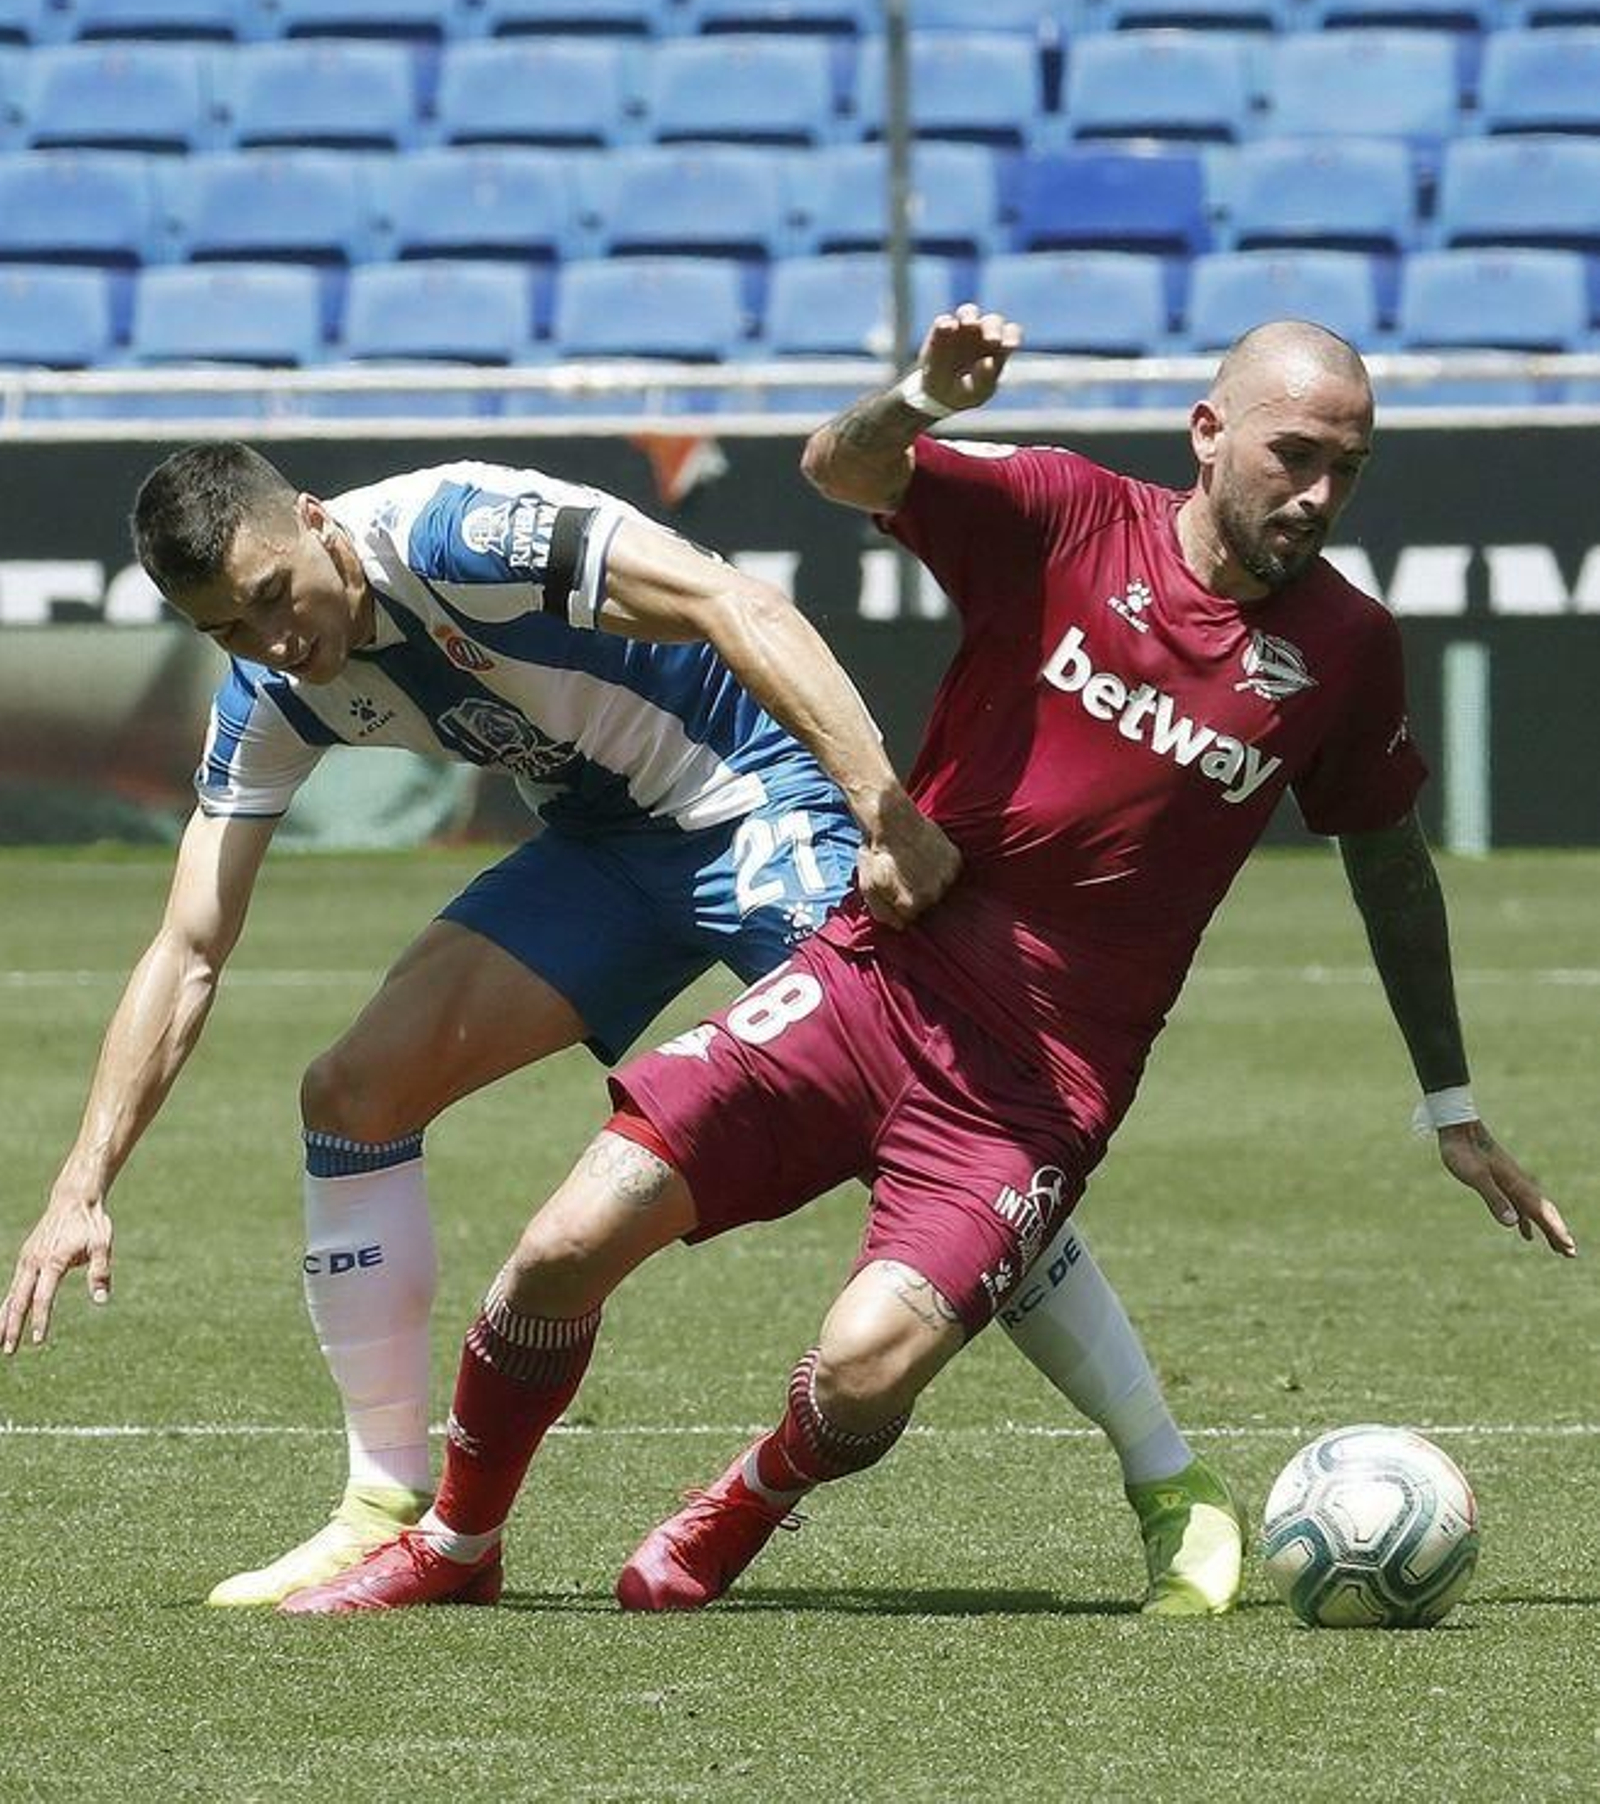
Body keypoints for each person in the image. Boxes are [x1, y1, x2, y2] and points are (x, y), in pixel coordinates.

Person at [276, 307, 1575, 1622]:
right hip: (865, 984)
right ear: (1208, 431)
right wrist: (919, 396)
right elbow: (842, 468)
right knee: (559, 1247)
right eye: (1294, 454)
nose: (1317, 494)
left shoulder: (1345, 650)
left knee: (863, 1369)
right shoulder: (1067, 513)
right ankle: (456, 1542)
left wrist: (1452, 1103)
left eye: (1346, 468)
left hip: (1037, 1092)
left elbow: (1391, 860)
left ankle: (749, 1499)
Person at [0, 442, 1242, 1615]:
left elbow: (732, 600)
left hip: (756, 791)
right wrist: (81, 1181)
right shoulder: (272, 690)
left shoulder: (461, 535)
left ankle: (1164, 1473)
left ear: (317, 525)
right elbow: (188, 946)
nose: (273, 639)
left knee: (937, 1123)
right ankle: (385, 1499)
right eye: (226, 627)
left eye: (275, 595)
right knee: (352, 1093)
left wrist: (881, 810)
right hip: (610, 844)